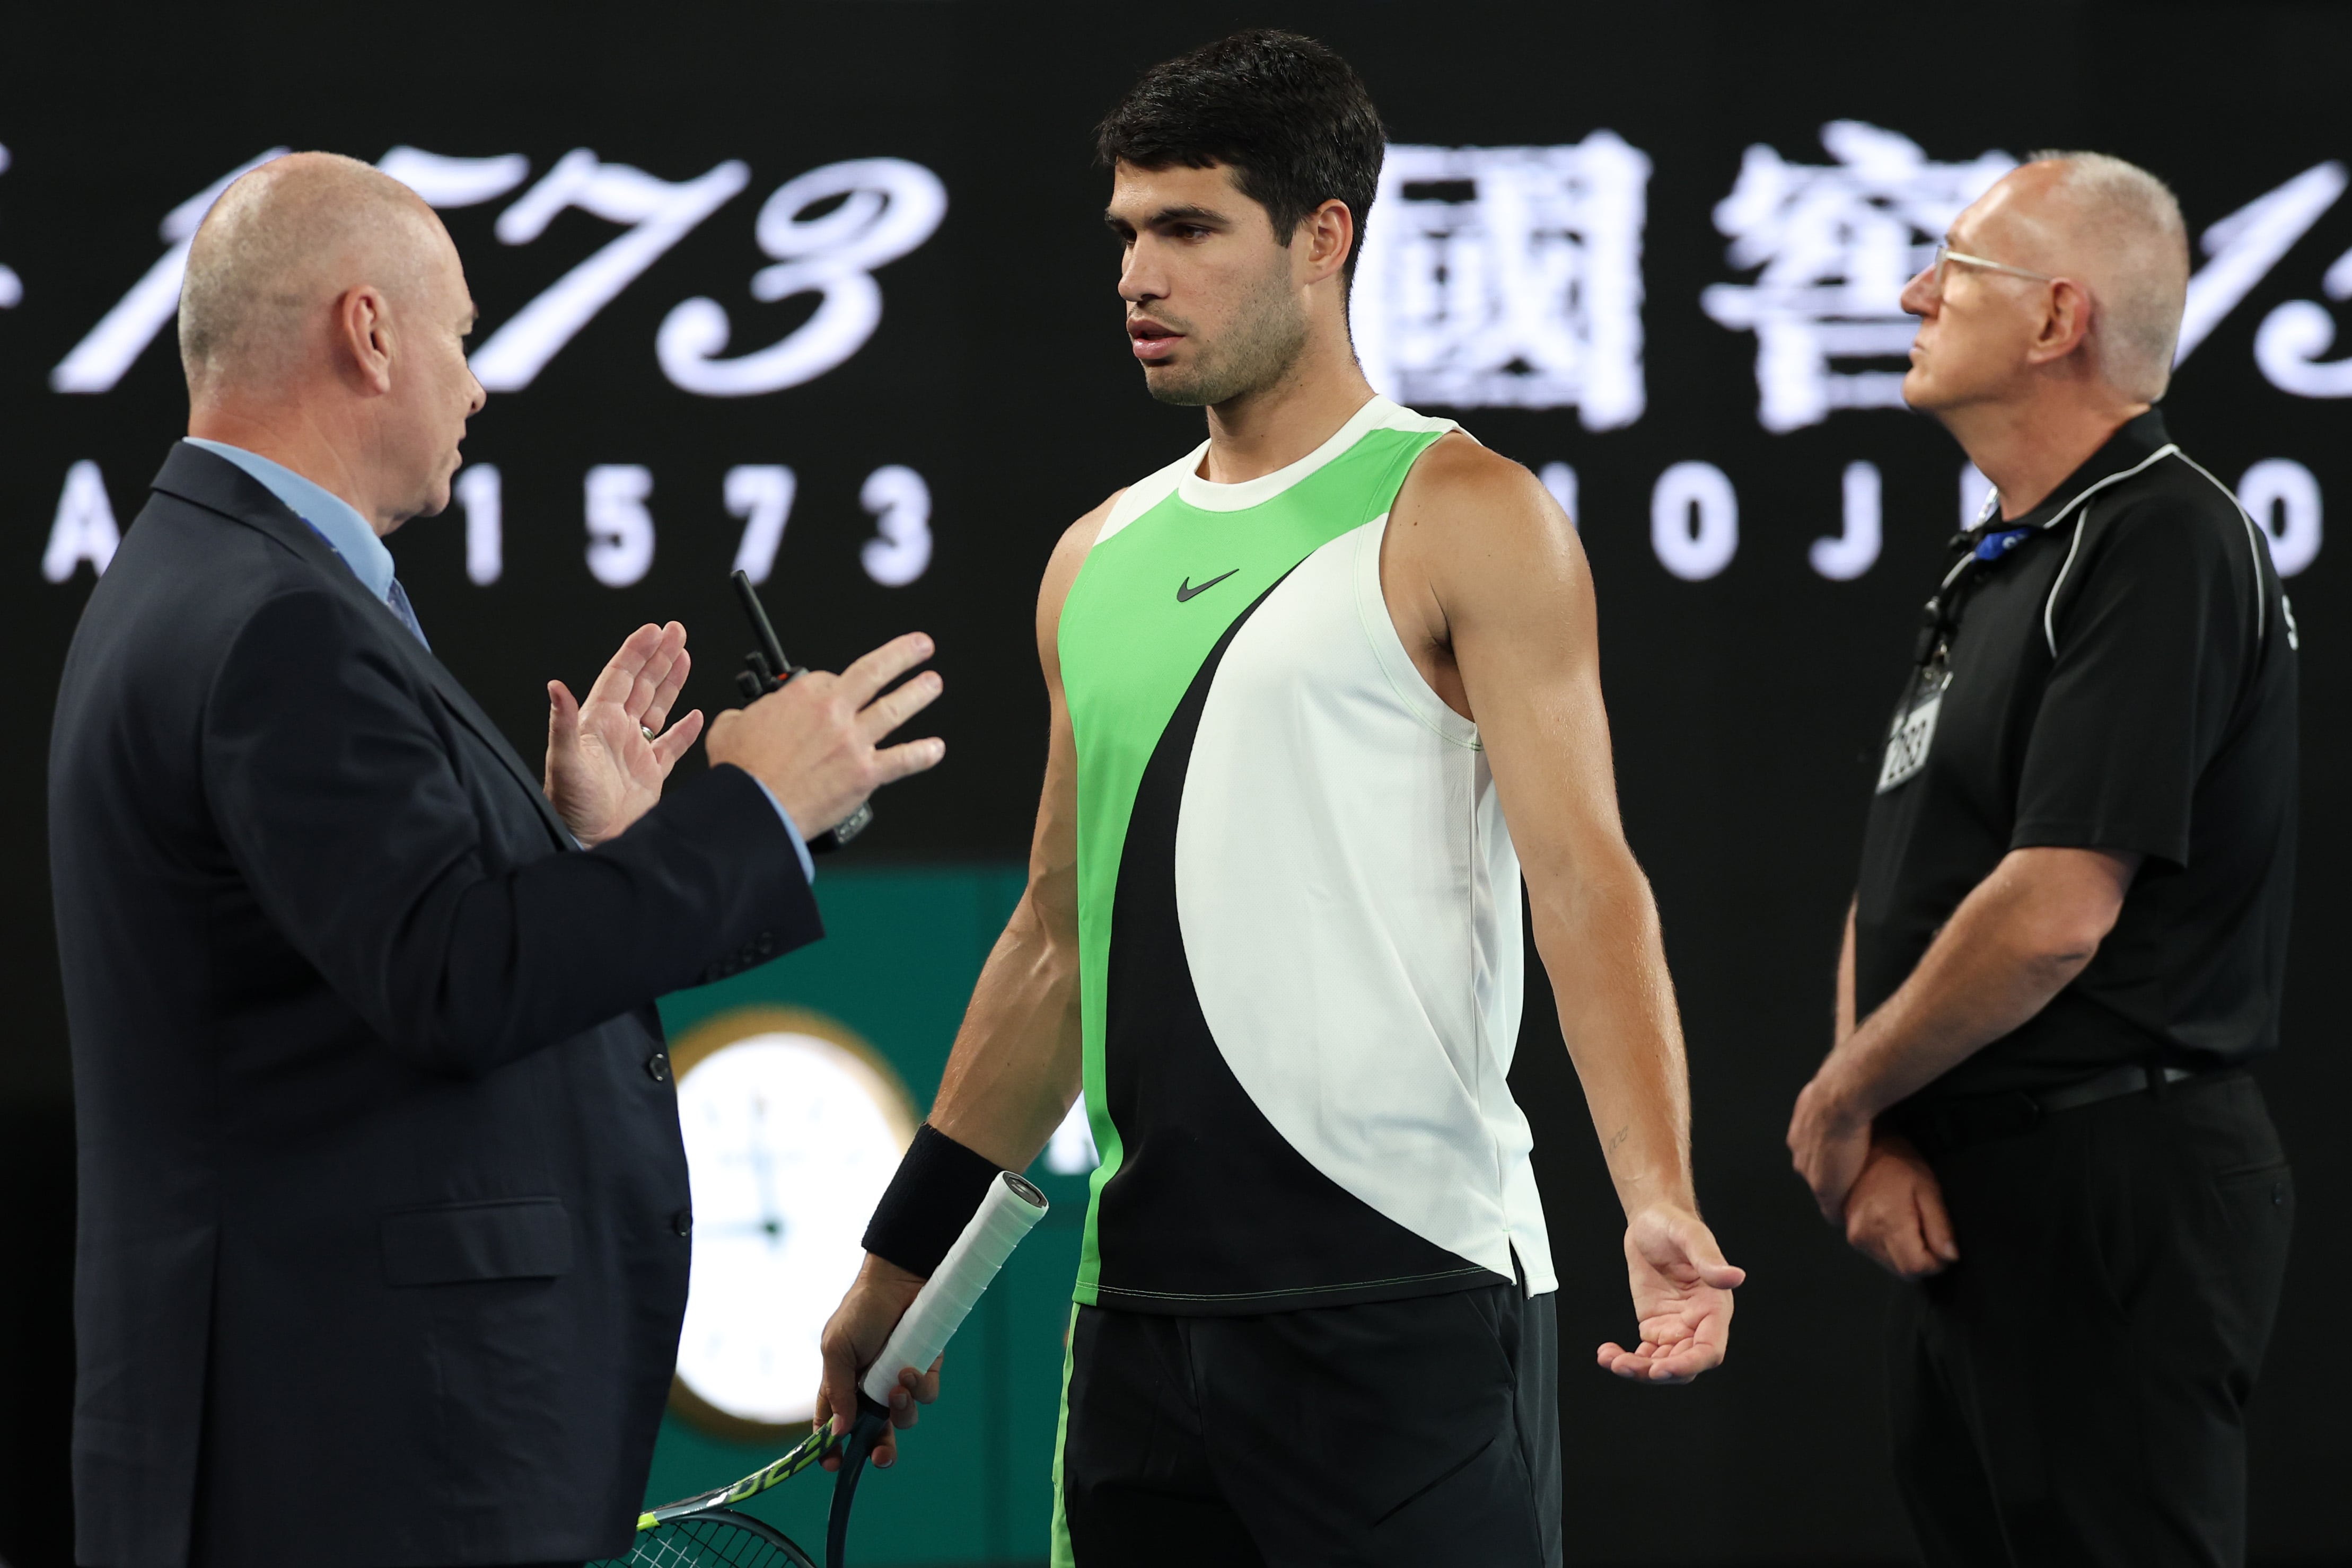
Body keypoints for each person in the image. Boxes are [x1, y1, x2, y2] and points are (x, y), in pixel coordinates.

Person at [815, 31, 1741, 1567]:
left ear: (1324, 240)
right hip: (1142, 1328)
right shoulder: (1090, 560)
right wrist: (898, 1262)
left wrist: (1654, 1191)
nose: (1137, 275)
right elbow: (1055, 946)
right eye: (1125, 231)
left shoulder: (1467, 513)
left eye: (1187, 229)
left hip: (1406, 1302)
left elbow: (1586, 881)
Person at [48, 153, 946, 1568]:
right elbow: (453, 980)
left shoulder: (207, 579)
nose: (476, 384)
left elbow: (383, 956)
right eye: (461, 334)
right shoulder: (277, 619)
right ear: (369, 331)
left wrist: (579, 847)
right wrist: (753, 808)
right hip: (353, 1461)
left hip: (322, 1441)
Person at [1786, 153, 2297, 1566]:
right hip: (1977, 1183)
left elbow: (2053, 910)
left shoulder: (2159, 537)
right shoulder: (2000, 561)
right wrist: (1882, 1127)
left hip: (2113, 1184)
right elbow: (1899, 875)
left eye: (1954, 266)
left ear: (2054, 320)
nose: (1910, 293)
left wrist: (1839, 1101)